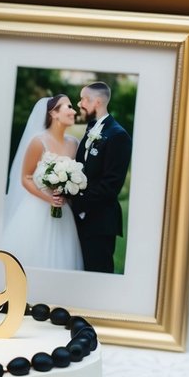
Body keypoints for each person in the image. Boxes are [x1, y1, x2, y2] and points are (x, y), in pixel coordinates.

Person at [1, 94, 84, 271]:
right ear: (53, 113)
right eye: (68, 107)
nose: (73, 111)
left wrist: (67, 191)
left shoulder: (74, 143)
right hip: (36, 209)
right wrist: (49, 199)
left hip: (63, 213)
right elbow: (25, 178)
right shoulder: (39, 141)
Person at [64, 81, 132, 274]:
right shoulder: (92, 128)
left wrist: (76, 201)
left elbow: (110, 186)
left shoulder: (118, 136)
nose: (79, 104)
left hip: (100, 223)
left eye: (84, 99)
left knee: (97, 274)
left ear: (98, 102)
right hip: (81, 219)